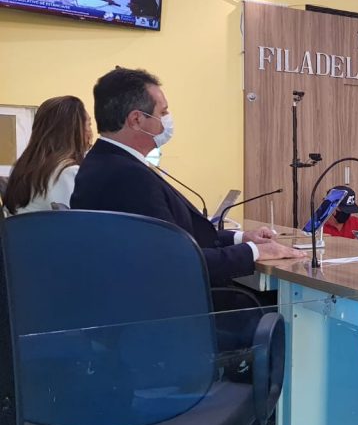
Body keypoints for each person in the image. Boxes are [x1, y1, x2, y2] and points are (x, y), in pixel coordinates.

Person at [71, 68, 305, 292]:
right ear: (136, 120)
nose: (167, 120)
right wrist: (253, 252)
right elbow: (174, 261)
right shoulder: (127, 176)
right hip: (173, 307)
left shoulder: (105, 163)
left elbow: (178, 237)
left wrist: (241, 238)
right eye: (162, 113)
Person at [3, 96, 92, 215]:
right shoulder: (68, 172)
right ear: (75, 130)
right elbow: (83, 221)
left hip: (20, 227)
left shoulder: (20, 168)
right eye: (89, 124)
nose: (91, 132)